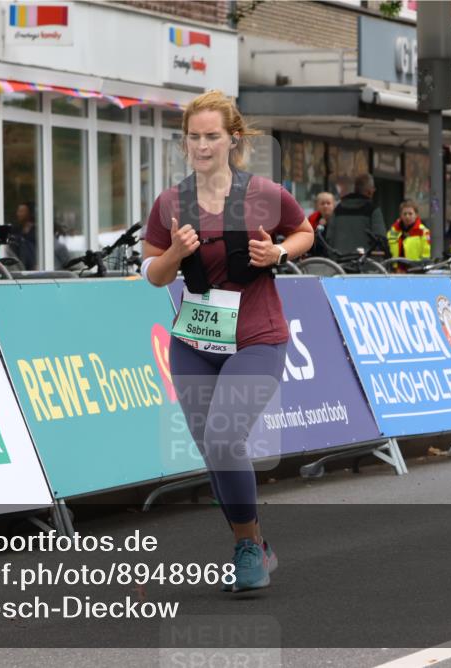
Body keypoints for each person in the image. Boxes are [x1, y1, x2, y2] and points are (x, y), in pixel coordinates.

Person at [141, 90, 313, 593]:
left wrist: (278, 251)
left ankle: (245, 549)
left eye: (211, 136)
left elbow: (304, 232)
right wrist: (174, 253)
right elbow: (153, 273)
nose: (201, 145)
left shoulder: (264, 192)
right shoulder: (171, 201)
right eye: (193, 137)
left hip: (257, 337)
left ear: (232, 139)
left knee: (223, 436)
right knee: (212, 448)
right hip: (194, 340)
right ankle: (253, 541)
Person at [326, 173, 387, 256]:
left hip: (340, 263)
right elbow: (380, 239)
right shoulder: (373, 210)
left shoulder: (338, 209)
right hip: (365, 264)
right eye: (373, 189)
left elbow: (329, 238)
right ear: (369, 191)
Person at [387, 200, 431, 272]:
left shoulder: (423, 231)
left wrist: (421, 268)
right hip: (395, 270)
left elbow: (426, 254)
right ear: (400, 215)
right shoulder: (393, 230)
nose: (407, 217)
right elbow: (388, 248)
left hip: (415, 270)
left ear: (416, 215)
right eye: (404, 214)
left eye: (410, 214)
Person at [306, 191, 335, 257]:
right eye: (322, 203)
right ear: (317, 206)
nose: (325, 206)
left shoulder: (337, 219)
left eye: (328, 203)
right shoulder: (313, 218)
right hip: (317, 254)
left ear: (333, 205)